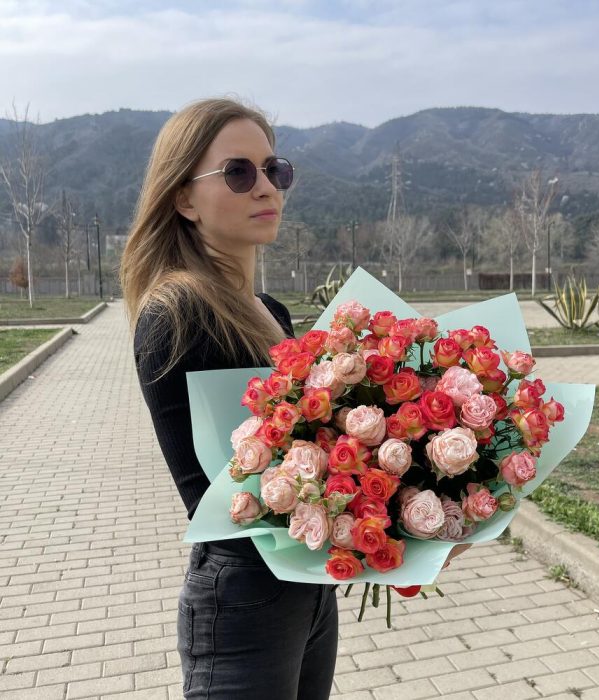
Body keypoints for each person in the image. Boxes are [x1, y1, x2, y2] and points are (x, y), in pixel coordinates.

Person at [120, 98, 338, 700]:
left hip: (309, 590)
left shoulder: (271, 311)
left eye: (275, 169)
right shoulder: (178, 312)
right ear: (184, 199)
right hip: (243, 598)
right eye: (238, 172)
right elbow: (214, 493)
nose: (265, 186)